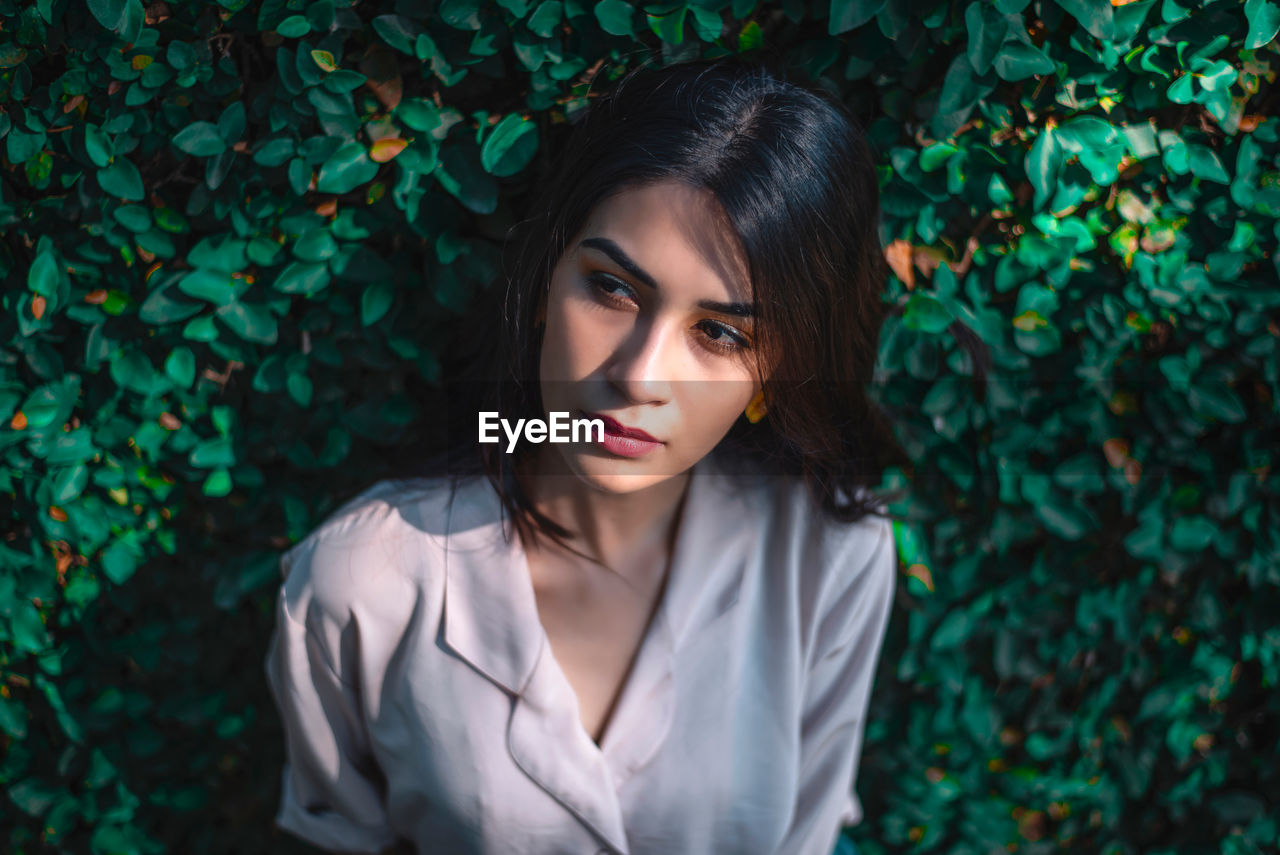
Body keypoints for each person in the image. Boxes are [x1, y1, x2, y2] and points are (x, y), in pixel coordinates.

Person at [264, 56, 907, 855]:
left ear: (771, 380)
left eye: (720, 333)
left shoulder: (832, 556)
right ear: (543, 284)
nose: (638, 375)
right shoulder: (362, 581)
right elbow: (340, 835)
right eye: (613, 288)